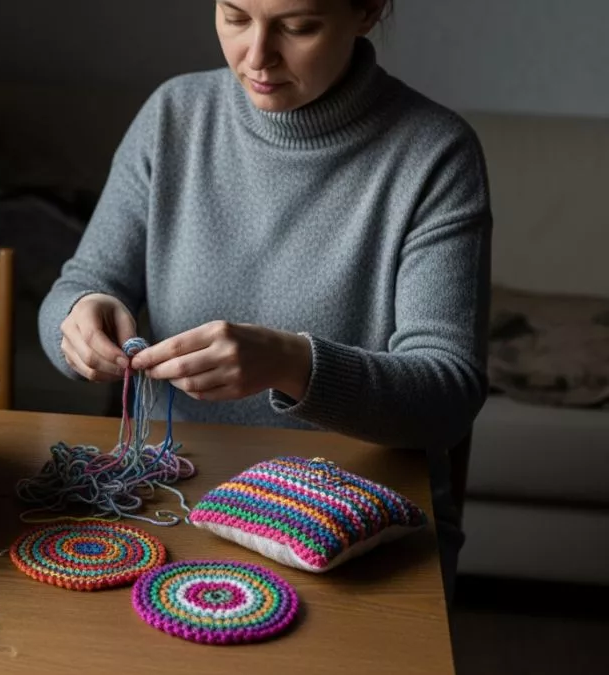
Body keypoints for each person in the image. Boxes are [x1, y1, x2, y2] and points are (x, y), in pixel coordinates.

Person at [38, 0, 490, 606]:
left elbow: (448, 395)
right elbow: (80, 284)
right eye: (234, 15)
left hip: (362, 537)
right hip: (178, 508)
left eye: (298, 26)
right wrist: (79, 316)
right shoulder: (174, 115)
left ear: (367, 12)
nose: (255, 56)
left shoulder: (435, 153)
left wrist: (293, 364)